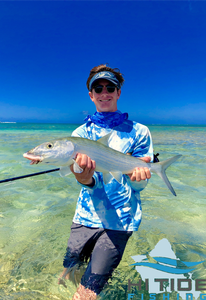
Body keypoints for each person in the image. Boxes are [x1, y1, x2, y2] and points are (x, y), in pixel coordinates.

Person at [59, 64, 153, 300]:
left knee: (88, 291)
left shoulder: (140, 132)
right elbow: (85, 182)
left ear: (118, 92)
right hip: (83, 216)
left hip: (120, 220)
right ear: (91, 95)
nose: (104, 92)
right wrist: (83, 178)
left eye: (110, 87)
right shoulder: (80, 134)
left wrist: (138, 178)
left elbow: (139, 185)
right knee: (69, 270)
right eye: (97, 88)